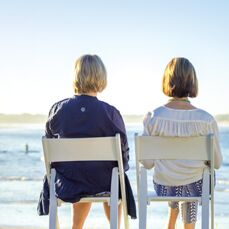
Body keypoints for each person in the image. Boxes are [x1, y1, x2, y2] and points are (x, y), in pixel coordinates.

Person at [43, 54, 135, 229]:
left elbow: (48, 148)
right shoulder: (110, 113)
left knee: (81, 170)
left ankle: (76, 227)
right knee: (114, 174)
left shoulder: (57, 110)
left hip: (68, 182)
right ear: (101, 76)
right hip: (104, 181)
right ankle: (114, 226)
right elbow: (122, 153)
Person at [142, 57, 223, 229]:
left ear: (167, 81)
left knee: (180, 182)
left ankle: (172, 217)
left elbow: (147, 164)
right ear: (193, 83)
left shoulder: (153, 117)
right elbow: (216, 164)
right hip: (197, 187)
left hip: (165, 188)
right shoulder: (206, 120)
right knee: (194, 180)